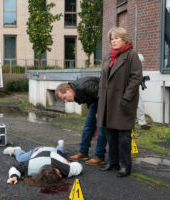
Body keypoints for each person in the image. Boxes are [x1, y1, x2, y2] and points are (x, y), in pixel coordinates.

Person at [97, 27, 142, 177]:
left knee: (123, 136)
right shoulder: (108, 57)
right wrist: (100, 103)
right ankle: (113, 162)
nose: (113, 41)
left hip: (123, 102)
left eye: (116, 38)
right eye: (111, 39)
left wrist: (126, 98)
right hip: (108, 102)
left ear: (124, 39)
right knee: (110, 134)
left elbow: (136, 78)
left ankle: (125, 166)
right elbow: (102, 80)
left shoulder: (131, 55)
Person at [55, 77, 107, 165]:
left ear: (68, 90)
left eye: (64, 98)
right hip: (95, 101)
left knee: (101, 128)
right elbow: (90, 98)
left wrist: (99, 111)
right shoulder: (75, 93)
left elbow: (102, 96)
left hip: (105, 100)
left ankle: (99, 156)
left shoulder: (85, 86)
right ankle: (83, 153)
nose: (66, 101)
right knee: (88, 126)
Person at [4, 141, 83, 187]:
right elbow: (78, 166)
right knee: (21, 158)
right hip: (46, 151)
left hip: (47, 150)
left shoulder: (65, 169)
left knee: (60, 152)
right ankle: (60, 146)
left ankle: (60, 147)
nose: (61, 175)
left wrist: (14, 176)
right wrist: (14, 176)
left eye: (59, 175)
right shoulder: (66, 170)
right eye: (59, 175)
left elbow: (15, 168)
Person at [137, 54, 151, 130]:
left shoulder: (139, 68)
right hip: (128, 90)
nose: (142, 64)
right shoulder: (130, 67)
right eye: (141, 62)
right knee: (139, 105)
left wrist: (142, 81)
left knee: (140, 105)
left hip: (134, 90)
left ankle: (142, 124)